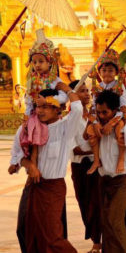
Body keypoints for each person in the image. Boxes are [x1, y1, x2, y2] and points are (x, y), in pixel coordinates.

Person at [11, 83, 82, 253]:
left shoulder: (65, 128)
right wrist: (30, 166)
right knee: (28, 231)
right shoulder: (28, 128)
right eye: (37, 107)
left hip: (53, 188)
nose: (40, 111)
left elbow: (78, 108)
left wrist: (66, 89)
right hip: (33, 187)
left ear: (58, 109)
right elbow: (18, 155)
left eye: (45, 107)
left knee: (52, 235)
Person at [92, 90, 126, 253]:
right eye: (99, 112)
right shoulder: (99, 128)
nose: (102, 115)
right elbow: (85, 138)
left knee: (115, 219)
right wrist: (96, 124)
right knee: (106, 221)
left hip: (122, 180)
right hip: (104, 179)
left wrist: (120, 122)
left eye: (105, 112)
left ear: (114, 111)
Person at [20, 29, 68, 171]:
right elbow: (29, 101)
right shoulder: (32, 81)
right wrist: (26, 117)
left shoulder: (55, 80)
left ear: (50, 63)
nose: (37, 65)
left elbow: (64, 97)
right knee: (22, 134)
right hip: (36, 116)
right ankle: (25, 163)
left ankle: (39, 166)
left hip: (51, 117)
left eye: (41, 61)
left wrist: (47, 101)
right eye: (34, 62)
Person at [69, 80, 101, 253]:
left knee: (97, 202)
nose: (87, 94)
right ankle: (95, 239)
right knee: (85, 202)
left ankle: (98, 241)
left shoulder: (96, 115)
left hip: (97, 164)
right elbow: (75, 148)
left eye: (87, 90)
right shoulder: (69, 119)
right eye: (82, 91)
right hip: (80, 166)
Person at [88, 48, 126, 175]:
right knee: (90, 131)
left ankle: (121, 159)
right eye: (104, 70)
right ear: (99, 72)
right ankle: (96, 160)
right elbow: (94, 107)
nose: (107, 73)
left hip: (120, 115)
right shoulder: (98, 87)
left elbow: (124, 107)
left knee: (119, 131)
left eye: (111, 70)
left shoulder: (119, 85)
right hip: (102, 116)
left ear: (116, 72)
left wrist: (111, 123)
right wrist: (96, 123)